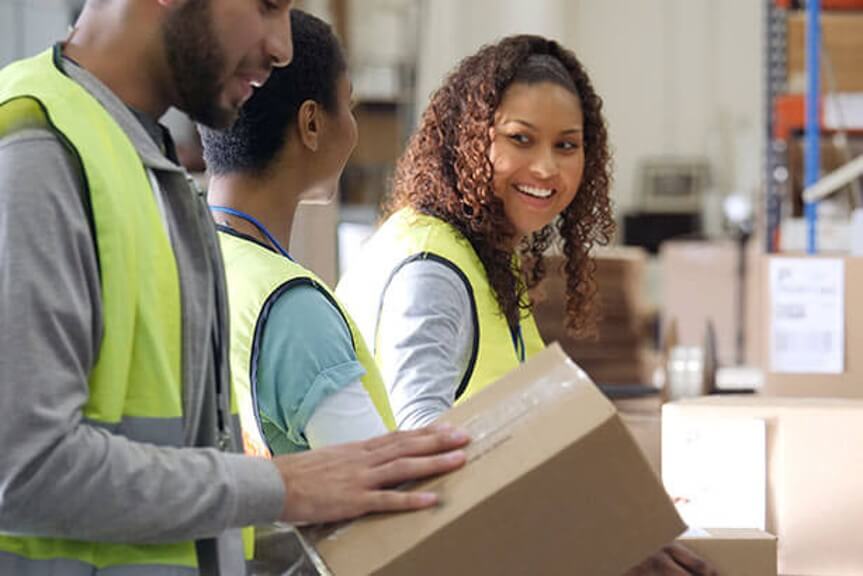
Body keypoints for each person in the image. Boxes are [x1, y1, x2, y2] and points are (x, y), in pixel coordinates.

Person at [0, 1, 468, 574]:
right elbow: (23, 467)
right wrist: (280, 486)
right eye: (267, 5)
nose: (282, 48)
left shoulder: (149, 169)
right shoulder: (37, 150)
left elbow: (187, 494)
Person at [336, 34, 715, 575]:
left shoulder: (487, 259)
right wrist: (594, 537)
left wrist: (619, 513)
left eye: (566, 145)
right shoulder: (431, 269)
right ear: (470, 140)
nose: (546, 168)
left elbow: (526, 439)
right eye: (521, 139)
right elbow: (421, 455)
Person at [199, 10, 394, 458]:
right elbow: (383, 491)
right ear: (311, 123)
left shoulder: (191, 258)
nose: (352, 126)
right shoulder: (293, 309)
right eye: (348, 104)